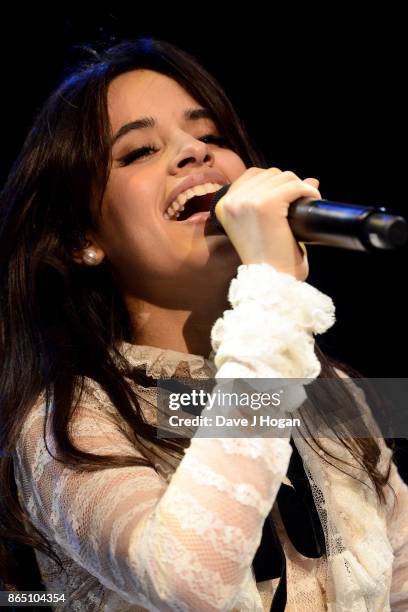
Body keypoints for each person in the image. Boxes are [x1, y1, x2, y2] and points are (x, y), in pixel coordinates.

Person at [0, 37, 407, 611]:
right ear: (80, 239)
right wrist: (272, 294)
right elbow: (190, 580)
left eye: (211, 136)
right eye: (138, 151)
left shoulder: (334, 397)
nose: (194, 152)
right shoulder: (68, 420)